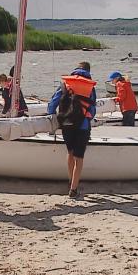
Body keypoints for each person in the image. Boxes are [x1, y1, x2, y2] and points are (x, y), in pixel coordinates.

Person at [47, 61, 96, 198]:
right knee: (79, 157)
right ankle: (73, 189)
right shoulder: (90, 86)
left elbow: (53, 103)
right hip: (83, 126)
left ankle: (70, 181)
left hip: (67, 124)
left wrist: (52, 117)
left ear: (75, 70)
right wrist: (87, 118)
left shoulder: (65, 84)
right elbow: (92, 109)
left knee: (70, 152)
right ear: (88, 71)